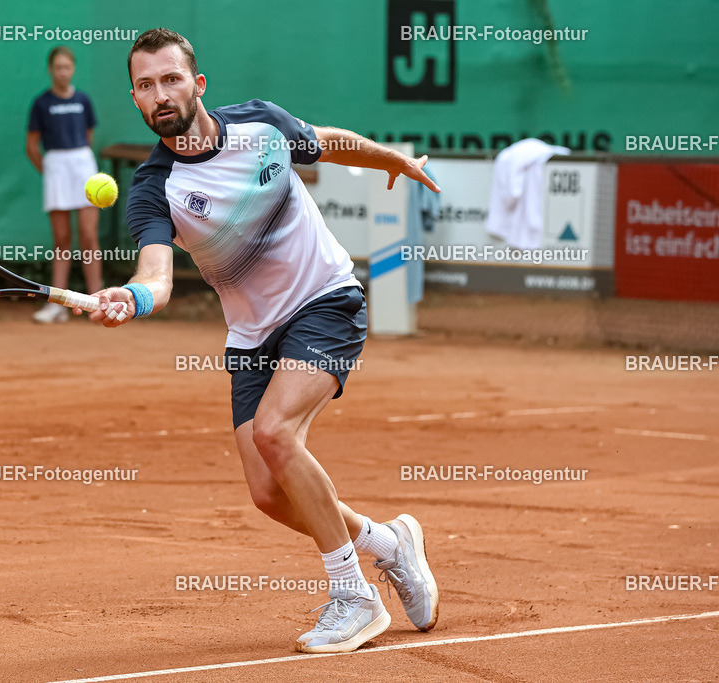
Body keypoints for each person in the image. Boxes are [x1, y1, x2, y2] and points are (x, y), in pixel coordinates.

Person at [84, 28, 441, 653]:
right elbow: (156, 271)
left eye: (170, 79)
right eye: (145, 85)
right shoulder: (152, 187)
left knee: (276, 433)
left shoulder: (260, 125)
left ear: (198, 85)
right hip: (253, 333)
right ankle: (388, 544)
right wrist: (133, 296)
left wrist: (389, 157)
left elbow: (325, 141)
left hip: (325, 299)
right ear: (136, 101)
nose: (160, 93)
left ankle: (354, 596)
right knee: (269, 495)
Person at [26, 45, 102, 324]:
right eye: (57, 67)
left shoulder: (83, 99)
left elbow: (89, 134)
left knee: (88, 235)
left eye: (67, 67)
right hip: (56, 167)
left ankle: (98, 301)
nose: (62, 72)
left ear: (73, 70)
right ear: (50, 70)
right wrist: (50, 170)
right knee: (61, 239)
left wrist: (77, 162)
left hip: (83, 165)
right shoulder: (41, 103)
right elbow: (31, 146)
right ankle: (58, 305)